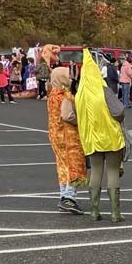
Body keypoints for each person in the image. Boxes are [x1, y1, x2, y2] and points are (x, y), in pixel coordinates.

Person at [76, 49, 126, 223]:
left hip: (90, 138)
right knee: (112, 172)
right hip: (110, 136)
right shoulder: (103, 90)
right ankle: (115, 213)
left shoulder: (79, 94)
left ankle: (94, 211)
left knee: (95, 172)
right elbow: (119, 111)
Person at [47, 67, 87, 214]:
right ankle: (69, 198)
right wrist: (81, 121)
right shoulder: (65, 96)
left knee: (62, 166)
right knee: (74, 165)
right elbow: (67, 115)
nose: (71, 79)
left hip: (55, 135)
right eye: (68, 76)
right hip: (68, 137)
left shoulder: (52, 95)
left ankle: (63, 195)